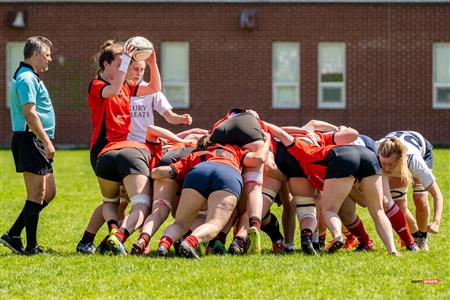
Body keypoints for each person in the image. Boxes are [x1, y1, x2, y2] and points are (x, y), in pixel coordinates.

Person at [76, 58, 191, 254]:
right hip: (124, 151)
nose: (139, 72)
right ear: (123, 68)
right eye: (134, 68)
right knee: (125, 201)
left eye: (142, 69)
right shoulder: (115, 88)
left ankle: (113, 239)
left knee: (128, 200)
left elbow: (164, 106)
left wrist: (178, 119)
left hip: (142, 150)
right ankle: (104, 238)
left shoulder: (141, 89)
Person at [264, 122, 400, 255]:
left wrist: (261, 122)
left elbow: (281, 133)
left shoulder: (301, 148)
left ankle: (337, 237)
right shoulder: (324, 138)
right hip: (367, 155)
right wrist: (340, 128)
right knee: (378, 210)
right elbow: (353, 134)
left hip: (342, 158)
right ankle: (392, 250)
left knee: (329, 209)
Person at [154, 132, 271, 258]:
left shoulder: (195, 154)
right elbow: (258, 158)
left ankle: (164, 244)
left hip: (199, 171)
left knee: (180, 223)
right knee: (215, 223)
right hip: (227, 172)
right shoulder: (233, 149)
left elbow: (168, 171)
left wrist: (151, 173)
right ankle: (190, 241)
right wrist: (267, 141)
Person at [0, 36, 56, 255]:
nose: (49, 59)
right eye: (47, 55)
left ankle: (13, 234)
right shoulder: (26, 78)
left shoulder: (31, 76)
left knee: (49, 192)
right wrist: (46, 141)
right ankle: (31, 247)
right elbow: (29, 113)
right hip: (30, 140)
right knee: (37, 194)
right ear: (36, 54)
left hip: (35, 141)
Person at [376, 131, 444, 251]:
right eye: (383, 164)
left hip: (421, 150)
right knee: (398, 206)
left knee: (420, 201)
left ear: (400, 159)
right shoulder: (376, 151)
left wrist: (436, 222)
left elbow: (437, 194)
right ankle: (415, 234)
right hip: (397, 153)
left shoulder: (415, 161)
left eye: (390, 164)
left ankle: (423, 238)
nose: (386, 169)